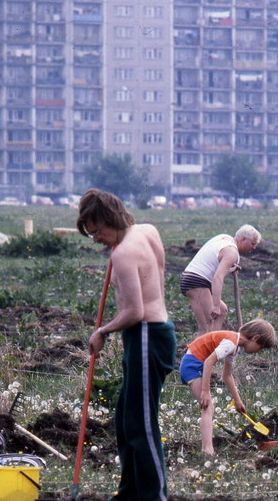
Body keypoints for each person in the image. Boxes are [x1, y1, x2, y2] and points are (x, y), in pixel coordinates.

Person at [77, 189, 175, 501]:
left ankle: (154, 495)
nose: (96, 239)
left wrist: (102, 331)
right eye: (91, 233)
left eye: (97, 231)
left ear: (110, 219)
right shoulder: (146, 230)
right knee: (125, 417)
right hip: (151, 334)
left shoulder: (123, 254)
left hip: (147, 333)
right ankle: (130, 492)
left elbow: (135, 311)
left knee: (141, 423)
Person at [178, 319, 277, 455]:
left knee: (208, 407)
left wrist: (238, 400)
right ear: (255, 338)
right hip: (192, 365)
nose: (258, 352)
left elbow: (227, 376)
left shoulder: (234, 346)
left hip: (197, 364)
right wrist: (205, 392)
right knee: (208, 407)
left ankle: (207, 448)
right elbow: (208, 362)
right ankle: (207, 450)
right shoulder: (230, 342)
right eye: (261, 347)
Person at [179, 224, 262, 334]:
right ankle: (203, 346)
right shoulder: (232, 252)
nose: (254, 248)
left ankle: (212, 341)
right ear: (243, 239)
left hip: (194, 278)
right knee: (206, 327)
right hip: (196, 281)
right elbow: (217, 277)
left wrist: (230, 268)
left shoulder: (224, 238)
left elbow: (214, 259)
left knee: (222, 311)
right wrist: (215, 304)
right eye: (252, 244)